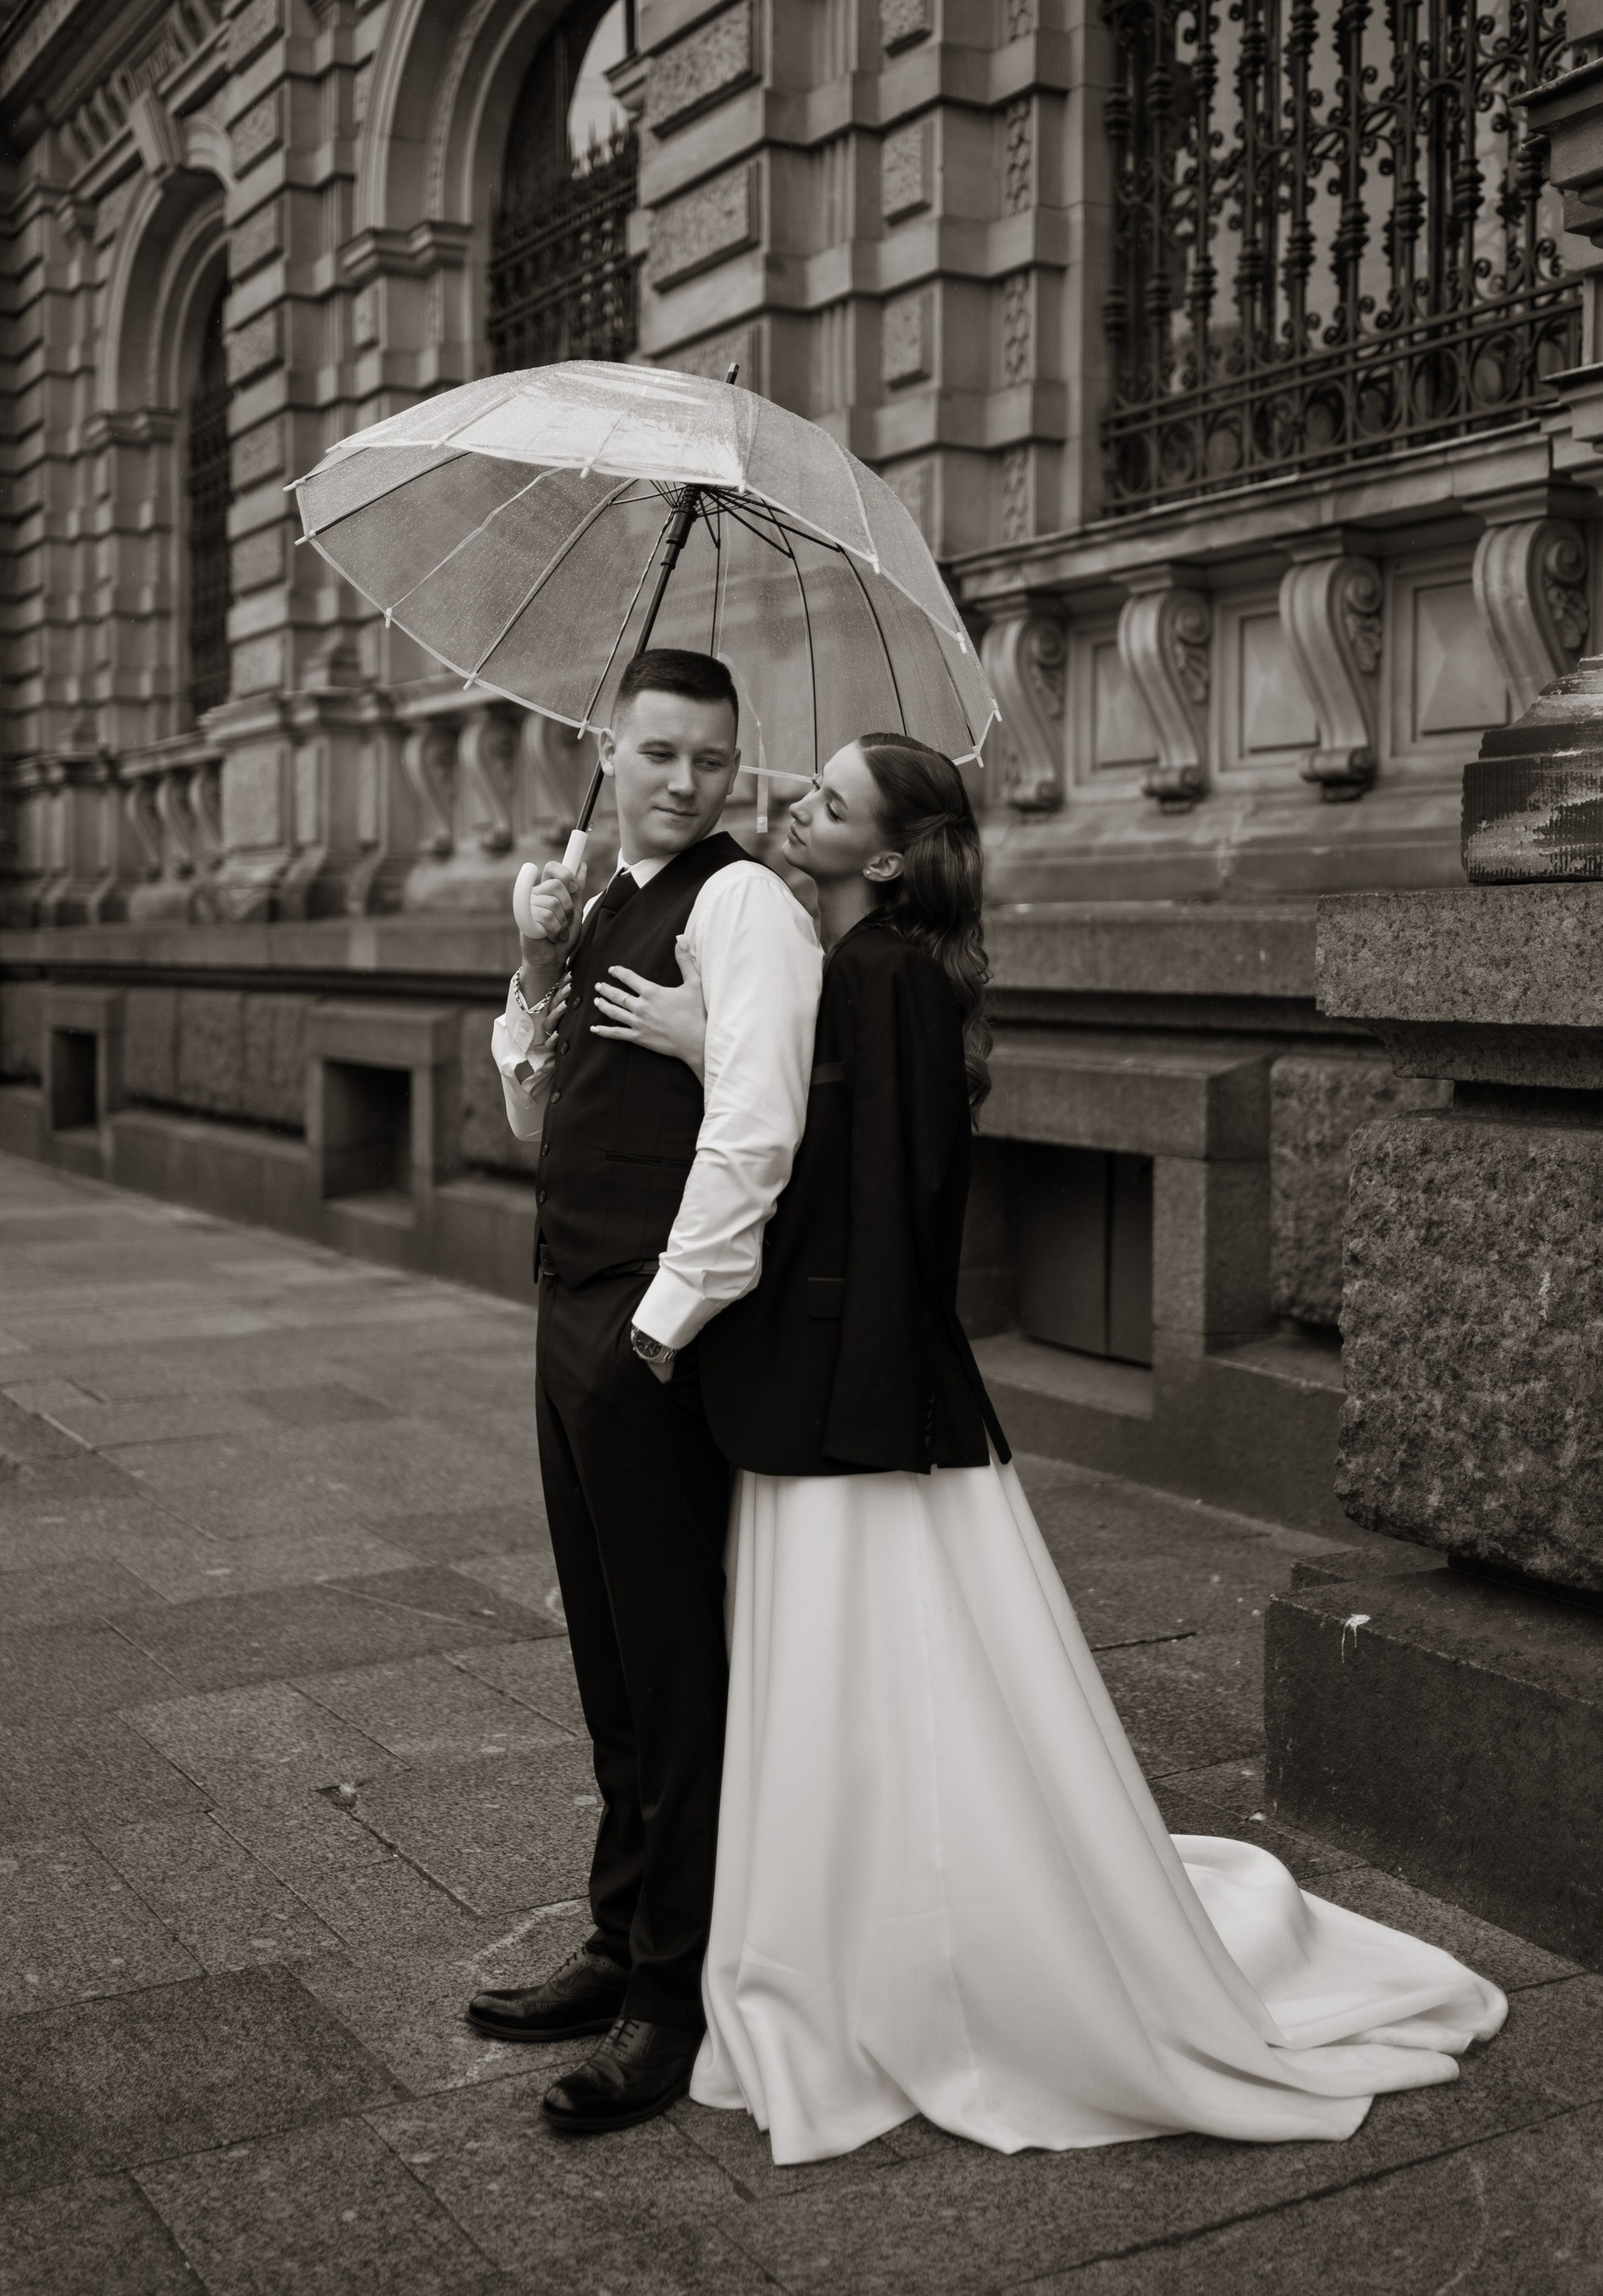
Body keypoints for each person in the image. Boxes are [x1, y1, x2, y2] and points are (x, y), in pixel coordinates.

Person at [588, 730, 1506, 2166]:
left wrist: (718, 1060)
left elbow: (886, 1204)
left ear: (891, 857)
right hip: (832, 1392)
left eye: (831, 801)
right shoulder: (861, 964)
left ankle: (903, 1953)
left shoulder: (886, 973)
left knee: (886, 1679)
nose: (796, 805)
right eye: (811, 789)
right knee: (876, 1685)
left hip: (850, 1402)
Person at [466, 648, 821, 2138]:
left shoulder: (747, 907)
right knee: (611, 1656)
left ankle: (674, 1998)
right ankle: (619, 1941)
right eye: (661, 751)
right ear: (604, 751)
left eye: (713, 759)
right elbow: (529, 1105)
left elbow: (757, 1135)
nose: (686, 780)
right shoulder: (597, 896)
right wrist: (537, 960)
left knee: (676, 1674)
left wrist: (660, 1330)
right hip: (570, 1309)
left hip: (649, 1328)